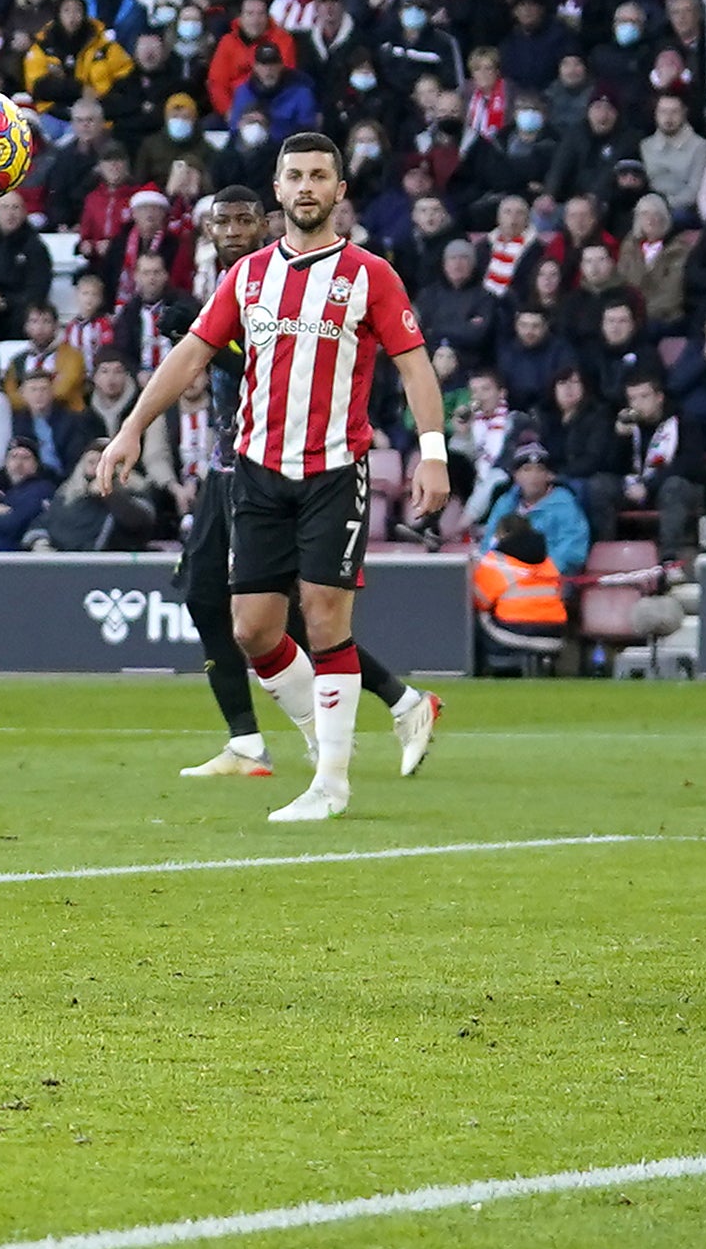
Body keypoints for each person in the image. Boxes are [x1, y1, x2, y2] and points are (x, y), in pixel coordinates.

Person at [89, 135, 450, 822]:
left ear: (339, 191)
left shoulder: (370, 274)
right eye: (295, 176)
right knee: (253, 629)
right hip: (255, 471)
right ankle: (325, 734)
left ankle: (331, 783)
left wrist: (431, 450)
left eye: (320, 175)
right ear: (278, 191)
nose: (307, 185)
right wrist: (131, 427)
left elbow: (413, 366)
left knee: (322, 617)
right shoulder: (248, 276)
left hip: (333, 470)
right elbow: (191, 353)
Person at [157, 185, 438, 781]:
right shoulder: (237, 282)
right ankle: (248, 740)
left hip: (289, 466)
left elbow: (266, 361)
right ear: (207, 231)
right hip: (228, 464)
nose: (232, 230)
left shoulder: (294, 278)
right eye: (221, 222)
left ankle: (392, 707)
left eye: (243, 220)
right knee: (209, 601)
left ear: (267, 220)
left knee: (294, 614)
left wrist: (206, 346)